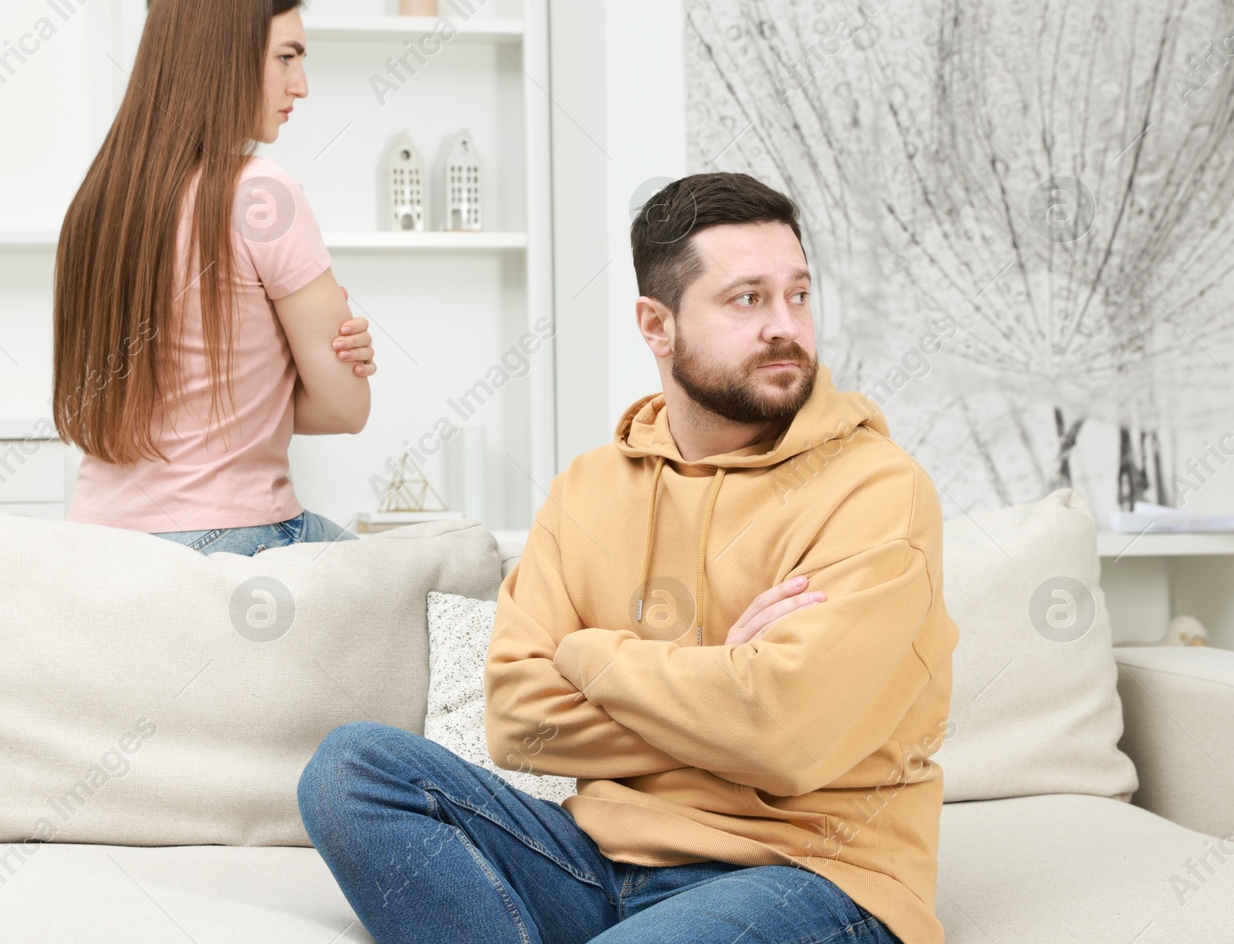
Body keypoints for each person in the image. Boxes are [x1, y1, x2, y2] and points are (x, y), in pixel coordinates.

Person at [298, 172, 959, 944]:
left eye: (799, 295)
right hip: (596, 860)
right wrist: (727, 683)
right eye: (748, 299)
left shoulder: (878, 489)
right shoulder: (588, 488)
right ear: (656, 324)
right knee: (352, 769)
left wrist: (589, 655)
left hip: (808, 874)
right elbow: (518, 720)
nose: (786, 325)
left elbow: (788, 737)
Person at [54, 0, 373, 557]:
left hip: (94, 546)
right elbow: (346, 407)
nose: (301, 84)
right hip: (233, 535)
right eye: (286, 57)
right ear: (222, 55)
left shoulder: (97, 202)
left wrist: (258, 380)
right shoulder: (262, 191)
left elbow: (140, 396)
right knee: (449, 591)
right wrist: (307, 368)